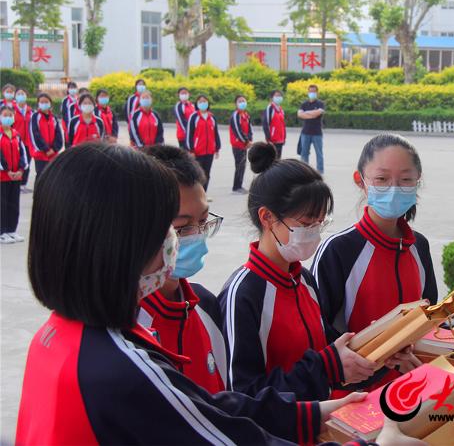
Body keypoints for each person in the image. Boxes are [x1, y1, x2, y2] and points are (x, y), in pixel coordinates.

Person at [15, 142, 378, 445]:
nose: (174, 246)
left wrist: (308, 415)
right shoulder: (120, 368)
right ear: (115, 246)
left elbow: (199, 404)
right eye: (168, 231)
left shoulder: (64, 335)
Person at [219, 143, 378, 401]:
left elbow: (327, 351)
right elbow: (243, 396)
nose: (314, 231)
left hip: (320, 425)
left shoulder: (303, 279)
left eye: (320, 222)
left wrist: (380, 349)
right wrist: (325, 369)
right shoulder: (244, 293)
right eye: (306, 223)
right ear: (267, 217)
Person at [313, 133, 438, 392]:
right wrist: (379, 363)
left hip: (411, 393)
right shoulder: (339, 250)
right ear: (361, 181)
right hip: (354, 402)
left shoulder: (419, 246)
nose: (393, 188)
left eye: (405, 180)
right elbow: (317, 336)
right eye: (382, 179)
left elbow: (429, 318)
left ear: (417, 182)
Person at [140, 145, 227, 394]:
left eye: (203, 221)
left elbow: (225, 401)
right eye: (182, 227)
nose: (197, 235)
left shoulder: (206, 307)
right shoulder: (126, 325)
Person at [0, 105, 29, 244]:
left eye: (10, 115)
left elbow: (23, 153)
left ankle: (12, 230)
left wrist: (21, 170)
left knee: (13, 204)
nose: (8, 118)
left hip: (16, 176)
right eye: (5, 115)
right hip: (3, 176)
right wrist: (7, 170)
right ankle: (2, 231)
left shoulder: (16, 134)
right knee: (2, 204)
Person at [185, 95, 220, 191]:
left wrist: (217, 147)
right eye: (200, 101)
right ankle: (197, 194)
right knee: (198, 174)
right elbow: (189, 134)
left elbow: (215, 133)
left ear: (208, 103)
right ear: (197, 104)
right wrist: (191, 149)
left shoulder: (212, 117)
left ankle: (204, 193)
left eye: (204, 101)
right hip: (197, 151)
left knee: (207, 174)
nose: (203, 103)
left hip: (209, 151)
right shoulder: (193, 117)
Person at [28, 93, 63, 177]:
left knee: (52, 176)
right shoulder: (35, 117)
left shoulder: (54, 118)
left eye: (46, 102)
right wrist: (46, 149)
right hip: (41, 154)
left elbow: (59, 135)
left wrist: (54, 149)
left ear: (50, 103)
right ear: (38, 104)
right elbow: (35, 134)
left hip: (53, 154)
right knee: (41, 176)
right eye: (42, 102)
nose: (44, 104)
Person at [297, 84, 325, 173]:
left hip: (317, 133)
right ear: (308, 92)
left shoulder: (320, 103)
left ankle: (320, 171)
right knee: (304, 153)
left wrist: (306, 114)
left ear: (317, 92)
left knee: (319, 154)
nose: (312, 93)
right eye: (310, 91)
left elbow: (319, 113)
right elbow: (300, 114)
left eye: (314, 91)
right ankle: (304, 171)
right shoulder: (304, 104)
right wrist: (313, 114)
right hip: (305, 132)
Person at [229, 94, 252, 194]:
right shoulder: (235, 115)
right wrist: (246, 141)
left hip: (244, 144)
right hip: (238, 144)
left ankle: (239, 185)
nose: (242, 103)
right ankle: (236, 186)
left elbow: (249, 129)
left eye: (243, 101)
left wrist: (249, 139)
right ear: (236, 103)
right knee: (239, 165)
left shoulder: (245, 115)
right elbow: (237, 131)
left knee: (242, 165)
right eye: (240, 101)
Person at [13, 88, 33, 192]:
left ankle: (23, 184)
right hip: (16, 142)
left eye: (23, 93)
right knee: (16, 164)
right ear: (15, 96)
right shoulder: (11, 110)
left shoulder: (30, 111)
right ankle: (16, 184)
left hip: (28, 142)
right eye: (19, 94)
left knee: (26, 164)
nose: (21, 95)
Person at [262, 90, 286, 158]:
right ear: (272, 98)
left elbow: (283, 125)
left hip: (280, 140)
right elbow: (265, 124)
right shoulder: (270, 108)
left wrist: (284, 137)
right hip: (272, 140)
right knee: (272, 160)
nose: (279, 97)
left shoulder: (281, 109)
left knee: (278, 160)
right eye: (277, 95)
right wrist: (268, 138)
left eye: (280, 96)